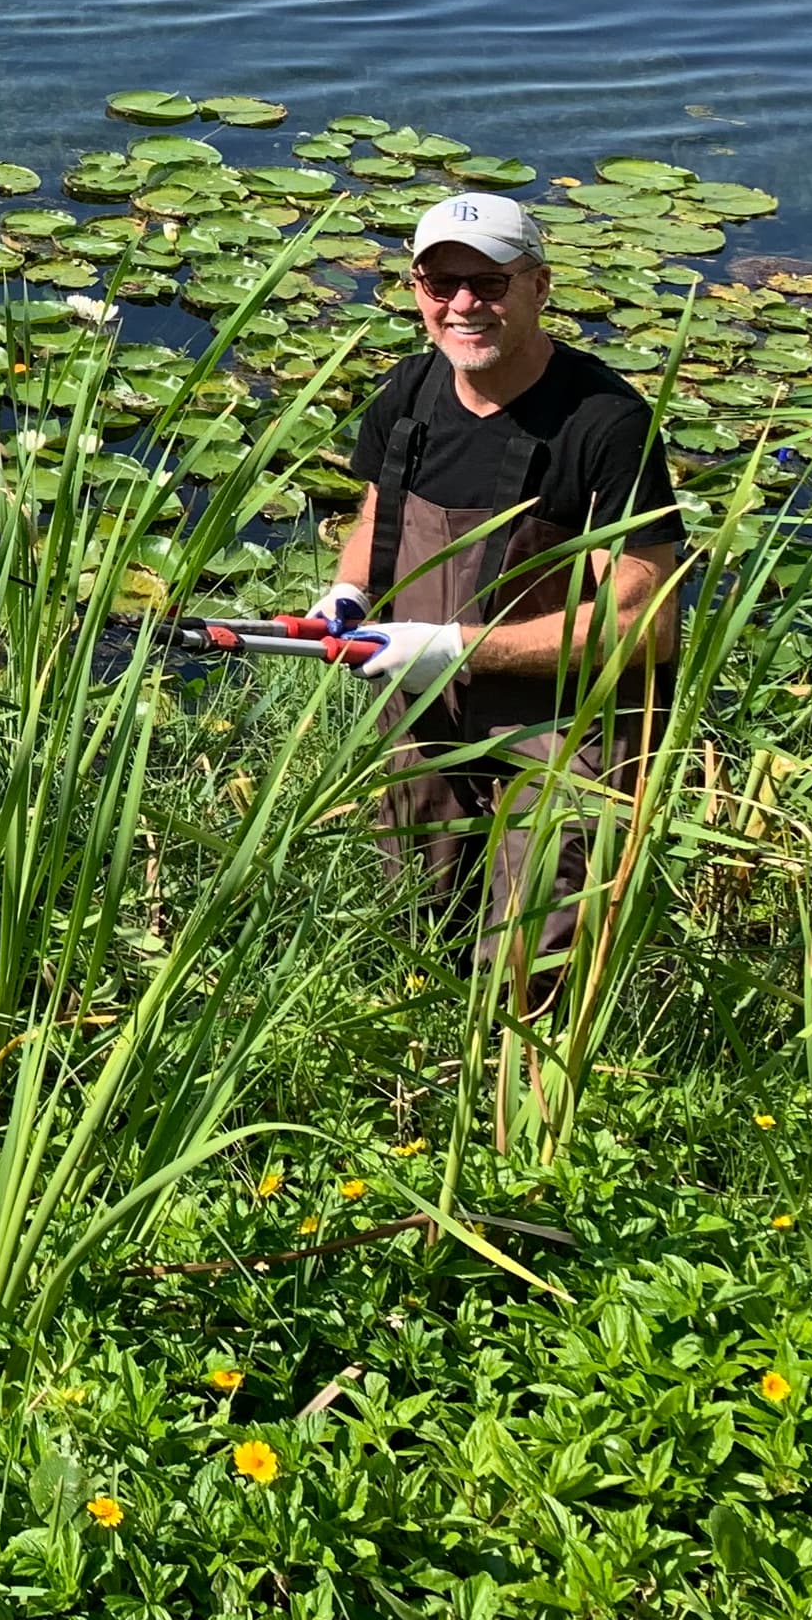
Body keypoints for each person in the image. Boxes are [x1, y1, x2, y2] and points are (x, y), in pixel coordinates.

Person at [293, 192, 683, 1012]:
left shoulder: (605, 424)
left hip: (563, 727)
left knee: (536, 955)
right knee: (420, 916)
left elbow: (644, 622)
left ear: (539, 287)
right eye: (441, 283)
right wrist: (350, 592)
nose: (464, 305)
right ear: (414, 288)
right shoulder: (409, 393)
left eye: (490, 283)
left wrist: (459, 650)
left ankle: (527, 1110)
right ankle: (417, 1077)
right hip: (423, 706)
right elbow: (378, 514)